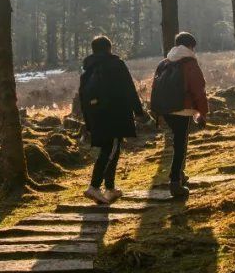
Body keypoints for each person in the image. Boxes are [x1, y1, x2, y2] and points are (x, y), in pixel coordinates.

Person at [78, 35, 146, 205]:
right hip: (114, 115)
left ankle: (110, 188)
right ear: (109, 48)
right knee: (111, 149)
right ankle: (94, 186)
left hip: (96, 117)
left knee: (112, 149)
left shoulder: (87, 71)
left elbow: (83, 100)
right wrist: (139, 112)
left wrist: (89, 124)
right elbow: (129, 89)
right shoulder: (116, 64)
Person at [152, 31, 210, 198]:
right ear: (191, 46)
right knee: (180, 145)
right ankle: (175, 182)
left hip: (166, 109)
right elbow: (199, 90)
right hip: (183, 110)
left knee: (178, 142)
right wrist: (202, 113)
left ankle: (179, 175)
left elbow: (155, 87)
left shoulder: (164, 62)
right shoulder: (190, 63)